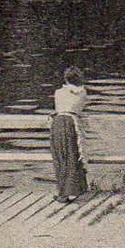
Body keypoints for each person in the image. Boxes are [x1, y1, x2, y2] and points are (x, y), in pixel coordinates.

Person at [50, 67, 89, 204]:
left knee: (60, 157)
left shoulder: (58, 92)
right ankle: (76, 190)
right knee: (73, 155)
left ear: (65, 79)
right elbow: (78, 108)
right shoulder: (82, 93)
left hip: (58, 122)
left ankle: (63, 192)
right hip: (72, 122)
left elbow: (58, 108)